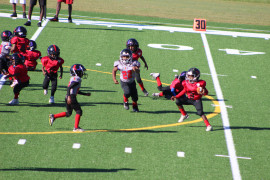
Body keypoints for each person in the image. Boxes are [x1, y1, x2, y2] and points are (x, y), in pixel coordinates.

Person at [49, 64, 90, 132]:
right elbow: (69, 87)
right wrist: (69, 97)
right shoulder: (77, 79)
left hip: (68, 96)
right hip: (71, 97)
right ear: (77, 72)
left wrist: (85, 94)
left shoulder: (73, 78)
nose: (83, 73)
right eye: (81, 71)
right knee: (79, 111)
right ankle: (76, 128)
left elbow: (74, 89)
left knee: (68, 113)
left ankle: (54, 116)